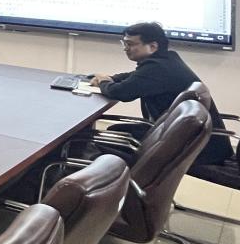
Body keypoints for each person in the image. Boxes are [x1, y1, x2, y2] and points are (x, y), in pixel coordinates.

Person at [89, 21, 231, 165]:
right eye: (124, 43)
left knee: (109, 138)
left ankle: (108, 173)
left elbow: (120, 93)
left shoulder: (157, 68)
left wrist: (103, 81)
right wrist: (111, 78)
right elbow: (133, 76)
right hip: (194, 139)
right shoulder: (166, 60)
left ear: (153, 46)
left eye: (130, 44)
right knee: (116, 132)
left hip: (198, 150)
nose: (125, 48)